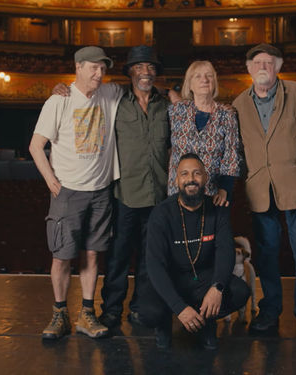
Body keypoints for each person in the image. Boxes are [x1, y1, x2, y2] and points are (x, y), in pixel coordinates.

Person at [29, 46, 125, 339]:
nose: (99, 74)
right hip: (68, 192)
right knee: (62, 257)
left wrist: (173, 93)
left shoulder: (109, 93)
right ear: (78, 68)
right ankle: (60, 314)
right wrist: (50, 180)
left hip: (100, 191)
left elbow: (144, 86)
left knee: (93, 256)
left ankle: (86, 313)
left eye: (103, 69)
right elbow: (35, 146)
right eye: (93, 68)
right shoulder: (59, 100)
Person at [233, 44, 296, 337]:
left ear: (278, 67)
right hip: (260, 191)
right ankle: (270, 312)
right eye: (257, 62)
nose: (263, 67)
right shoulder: (237, 104)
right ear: (248, 68)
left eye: (269, 63)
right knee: (267, 255)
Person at [138, 153, 250, 349]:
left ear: (205, 178)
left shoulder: (218, 210)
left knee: (240, 292)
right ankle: (164, 324)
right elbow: (155, 266)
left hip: (203, 278)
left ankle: (206, 323)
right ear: (177, 180)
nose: (191, 179)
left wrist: (217, 288)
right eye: (185, 174)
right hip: (171, 278)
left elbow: (226, 252)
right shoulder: (161, 213)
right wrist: (179, 308)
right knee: (148, 313)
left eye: (197, 173)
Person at [98, 45, 172, 329]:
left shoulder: (166, 106)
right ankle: (112, 310)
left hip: (158, 195)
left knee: (148, 257)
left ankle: (139, 308)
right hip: (124, 194)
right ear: (130, 72)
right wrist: (61, 88)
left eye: (151, 68)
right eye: (140, 67)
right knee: (117, 257)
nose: (146, 73)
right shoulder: (116, 102)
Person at [168, 61, 240, 207]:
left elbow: (231, 158)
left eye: (209, 76)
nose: (204, 80)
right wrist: (168, 91)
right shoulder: (175, 111)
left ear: (214, 82)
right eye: (198, 76)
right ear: (189, 84)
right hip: (179, 193)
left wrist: (224, 190)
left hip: (214, 195)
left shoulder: (227, 116)